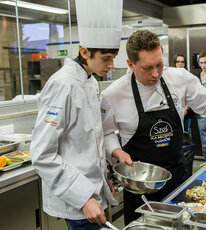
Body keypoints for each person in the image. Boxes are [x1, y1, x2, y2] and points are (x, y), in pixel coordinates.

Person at [100, 30, 206, 225]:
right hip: (140, 188)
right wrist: (116, 151)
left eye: (159, 65)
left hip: (178, 179)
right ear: (130, 64)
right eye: (147, 68)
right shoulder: (113, 94)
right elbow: (105, 133)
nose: (155, 74)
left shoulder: (178, 78)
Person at [30, 1, 123, 229]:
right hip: (79, 200)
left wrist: (102, 181)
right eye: (106, 58)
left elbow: (88, 141)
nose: (111, 65)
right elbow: (42, 154)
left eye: (114, 57)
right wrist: (84, 198)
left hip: (93, 192)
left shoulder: (89, 81)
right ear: (84, 52)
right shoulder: (63, 84)